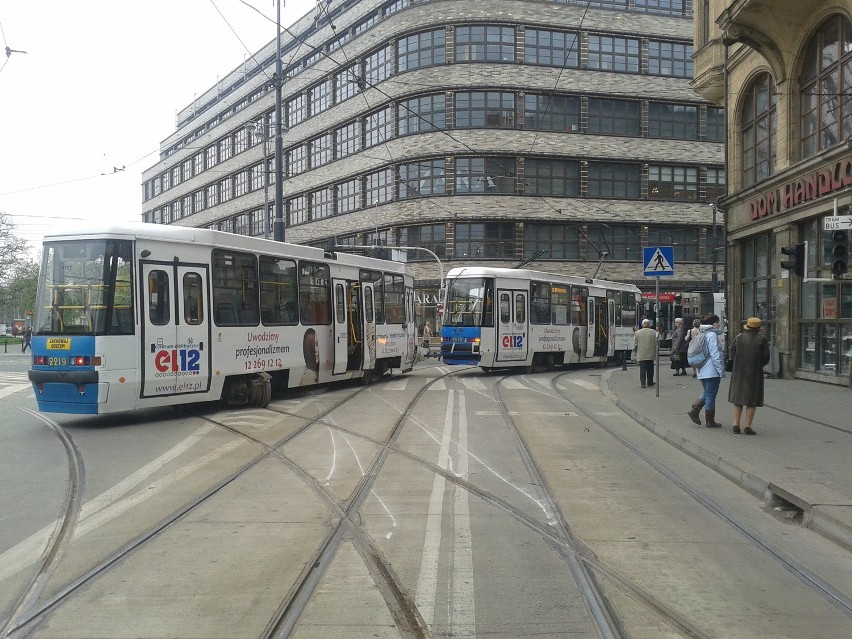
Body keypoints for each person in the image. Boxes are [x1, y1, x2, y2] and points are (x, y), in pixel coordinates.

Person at [727, 317, 770, 435]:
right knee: (752, 400)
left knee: (738, 399)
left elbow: (732, 353)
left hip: (739, 372)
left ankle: (736, 424)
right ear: (758, 329)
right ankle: (747, 426)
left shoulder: (739, 337)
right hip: (754, 372)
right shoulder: (762, 340)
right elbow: (766, 357)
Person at [687, 314, 726, 428]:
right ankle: (709, 420)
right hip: (712, 370)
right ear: (713, 324)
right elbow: (715, 354)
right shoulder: (712, 335)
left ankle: (695, 410)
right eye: (718, 322)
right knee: (710, 395)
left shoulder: (701, 334)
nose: (719, 324)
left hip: (701, 368)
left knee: (707, 392)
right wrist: (720, 370)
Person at [632, 318, 658, 388]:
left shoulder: (637, 332)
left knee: (642, 369)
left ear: (642, 324)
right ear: (649, 325)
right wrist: (656, 351)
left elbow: (635, 344)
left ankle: (643, 384)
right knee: (650, 369)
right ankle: (650, 382)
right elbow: (657, 343)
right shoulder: (653, 332)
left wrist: (635, 351)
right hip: (651, 354)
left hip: (641, 354)